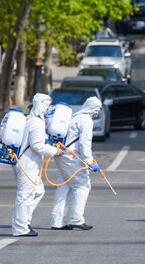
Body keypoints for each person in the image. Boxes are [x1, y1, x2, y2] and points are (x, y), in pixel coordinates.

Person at [12, 93, 63, 237]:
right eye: (46, 105)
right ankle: (20, 228)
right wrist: (55, 151)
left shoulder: (33, 120)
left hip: (30, 163)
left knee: (38, 191)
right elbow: (37, 146)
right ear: (40, 105)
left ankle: (25, 221)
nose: (47, 108)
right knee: (25, 195)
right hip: (27, 163)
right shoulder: (36, 122)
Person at [51, 97, 102, 231]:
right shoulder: (86, 120)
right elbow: (84, 143)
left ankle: (57, 221)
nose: (97, 111)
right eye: (96, 108)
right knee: (83, 186)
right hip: (71, 157)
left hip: (62, 155)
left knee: (64, 186)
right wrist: (89, 161)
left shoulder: (75, 116)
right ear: (91, 107)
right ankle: (76, 219)